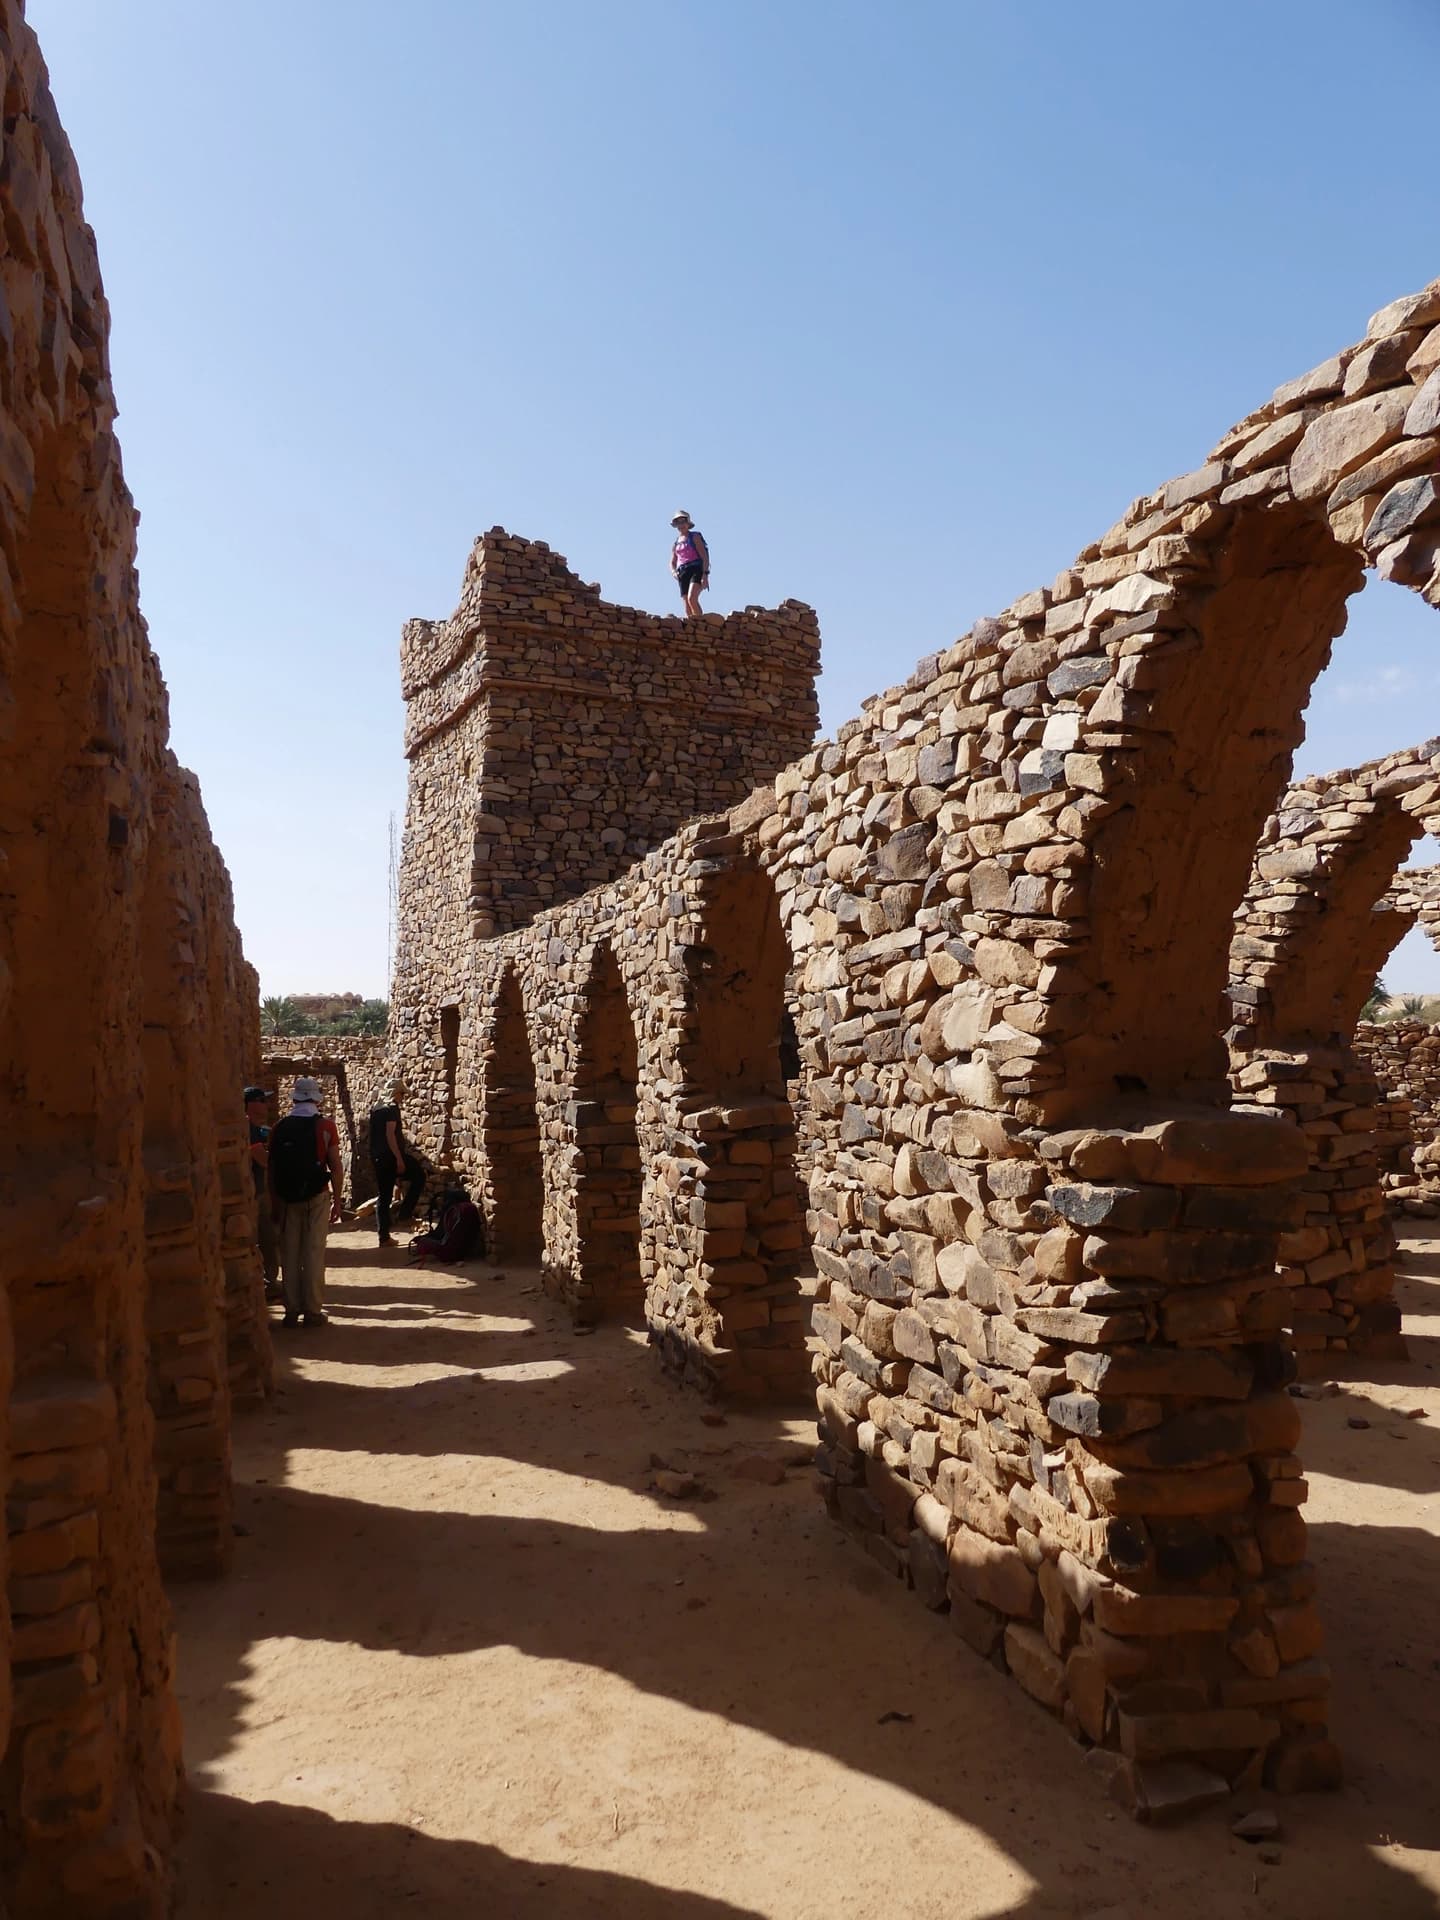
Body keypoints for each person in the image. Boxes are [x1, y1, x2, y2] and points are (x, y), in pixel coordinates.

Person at [268, 1076, 343, 1329]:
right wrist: (338, 1199)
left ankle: (290, 1310)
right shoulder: (326, 1127)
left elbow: (273, 1168)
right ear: (315, 1098)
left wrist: (274, 1201)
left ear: (295, 1098)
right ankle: (312, 1310)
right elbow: (335, 1166)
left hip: (287, 1198)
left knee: (289, 1253)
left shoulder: (279, 1127)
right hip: (317, 1195)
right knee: (313, 1253)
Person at [369, 1082, 424, 1248]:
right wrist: (399, 1159)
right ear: (396, 1093)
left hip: (378, 1157)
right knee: (419, 1176)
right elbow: (390, 1135)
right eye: (402, 1094)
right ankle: (405, 1214)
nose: (402, 1098)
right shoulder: (392, 1109)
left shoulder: (376, 1109)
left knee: (384, 1196)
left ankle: (384, 1236)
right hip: (391, 1157)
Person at [244, 1086, 282, 1301]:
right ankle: (268, 1283)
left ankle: (268, 1282)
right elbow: (263, 1160)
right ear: (249, 1104)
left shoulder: (256, 1129)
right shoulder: (248, 1129)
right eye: (261, 1100)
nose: (266, 1105)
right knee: (265, 1239)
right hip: (254, 1195)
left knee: (267, 1238)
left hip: (256, 1192)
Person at [669, 510, 710, 618]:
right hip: (682, 572)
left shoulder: (694, 537)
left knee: (692, 598)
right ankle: (692, 626)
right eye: (678, 523)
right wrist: (673, 572)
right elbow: (672, 561)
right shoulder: (676, 543)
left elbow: (704, 557)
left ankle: (700, 624)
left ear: (688, 523)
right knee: (686, 604)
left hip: (696, 569)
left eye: (683, 522)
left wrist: (705, 574)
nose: (681, 525)